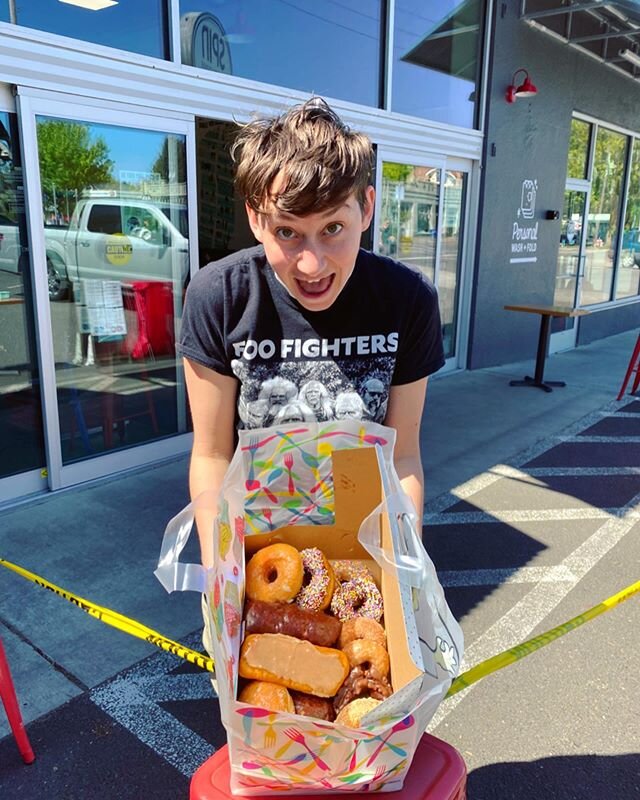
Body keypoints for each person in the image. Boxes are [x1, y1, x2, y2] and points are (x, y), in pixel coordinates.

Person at [179, 97, 444, 568]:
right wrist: (222, 571)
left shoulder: (407, 300)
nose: (311, 263)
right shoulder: (219, 296)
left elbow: (403, 458)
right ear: (257, 219)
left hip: (367, 552)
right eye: (287, 232)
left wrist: (406, 570)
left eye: (333, 228)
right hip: (256, 551)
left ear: (366, 208)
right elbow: (213, 454)